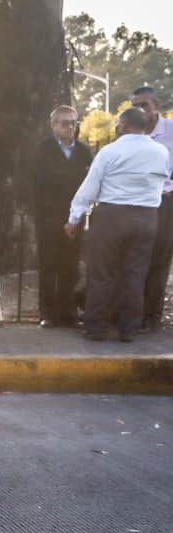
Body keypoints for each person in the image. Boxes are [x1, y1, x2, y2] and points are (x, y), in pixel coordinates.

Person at [65, 107, 170, 342]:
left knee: (102, 273)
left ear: (123, 125)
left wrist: (74, 218)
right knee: (135, 274)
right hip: (147, 218)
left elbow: (89, 188)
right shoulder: (161, 152)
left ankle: (95, 327)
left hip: (112, 215)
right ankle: (128, 328)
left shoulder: (110, 151)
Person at [32, 106, 94, 328]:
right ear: (53, 125)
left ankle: (68, 312)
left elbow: (89, 182)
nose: (70, 127)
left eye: (73, 122)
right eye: (65, 122)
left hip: (75, 217)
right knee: (49, 265)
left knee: (70, 265)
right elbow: (42, 180)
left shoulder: (84, 151)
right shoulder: (43, 149)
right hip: (48, 216)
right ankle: (48, 313)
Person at [131, 87, 173, 332]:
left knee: (158, 260)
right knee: (136, 260)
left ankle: (151, 316)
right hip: (136, 202)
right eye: (135, 105)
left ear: (156, 106)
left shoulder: (171, 131)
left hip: (164, 202)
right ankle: (130, 313)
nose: (140, 110)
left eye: (144, 105)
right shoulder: (131, 132)